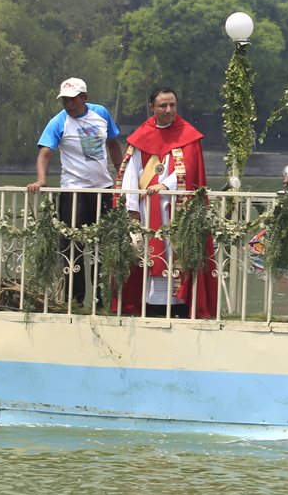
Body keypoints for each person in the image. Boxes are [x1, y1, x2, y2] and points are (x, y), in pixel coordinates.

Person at [114, 88, 217, 319]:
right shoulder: (142, 135)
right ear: (152, 107)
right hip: (145, 208)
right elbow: (131, 172)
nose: (168, 110)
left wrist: (167, 186)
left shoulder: (187, 135)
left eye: (172, 105)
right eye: (163, 106)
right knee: (147, 254)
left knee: (174, 254)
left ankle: (178, 304)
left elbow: (190, 169)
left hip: (175, 209)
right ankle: (148, 304)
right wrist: (131, 208)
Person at [26, 78, 124, 307]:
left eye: (73, 100)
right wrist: (42, 179)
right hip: (74, 191)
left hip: (103, 189)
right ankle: (75, 299)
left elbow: (113, 144)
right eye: (65, 101)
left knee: (104, 245)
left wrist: (120, 175)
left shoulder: (101, 113)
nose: (69, 105)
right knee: (72, 246)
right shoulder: (58, 122)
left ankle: (103, 299)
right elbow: (45, 153)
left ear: (84, 98)